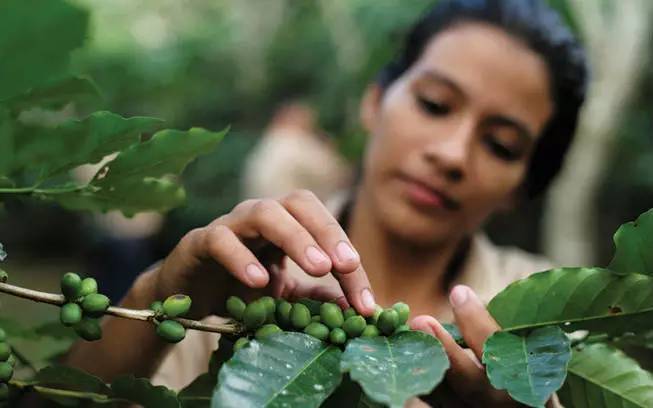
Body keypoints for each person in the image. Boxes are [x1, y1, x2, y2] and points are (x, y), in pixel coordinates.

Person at [64, 0, 588, 406]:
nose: (452, 154)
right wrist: (153, 293)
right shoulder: (237, 284)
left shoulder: (548, 333)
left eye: (501, 145)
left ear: (523, 187)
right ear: (374, 101)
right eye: (434, 104)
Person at [242, 101, 353, 201]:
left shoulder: (265, 145)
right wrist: (329, 149)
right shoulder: (295, 141)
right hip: (290, 215)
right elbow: (338, 176)